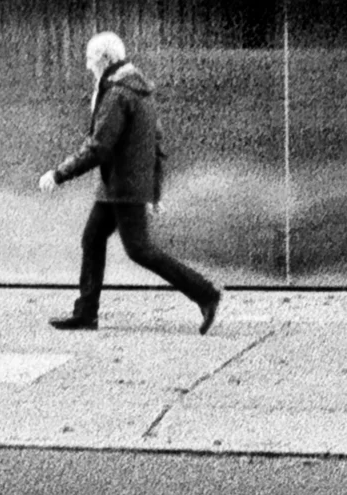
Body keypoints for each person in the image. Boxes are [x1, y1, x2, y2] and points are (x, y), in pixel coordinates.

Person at [38, 31, 221, 334]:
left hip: (123, 188)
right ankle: (85, 314)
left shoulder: (118, 93)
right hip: (117, 188)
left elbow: (99, 146)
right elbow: (157, 145)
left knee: (140, 250)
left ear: (106, 59)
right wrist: (155, 190)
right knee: (93, 239)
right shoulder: (137, 88)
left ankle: (205, 293)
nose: (87, 65)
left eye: (90, 58)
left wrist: (58, 174)